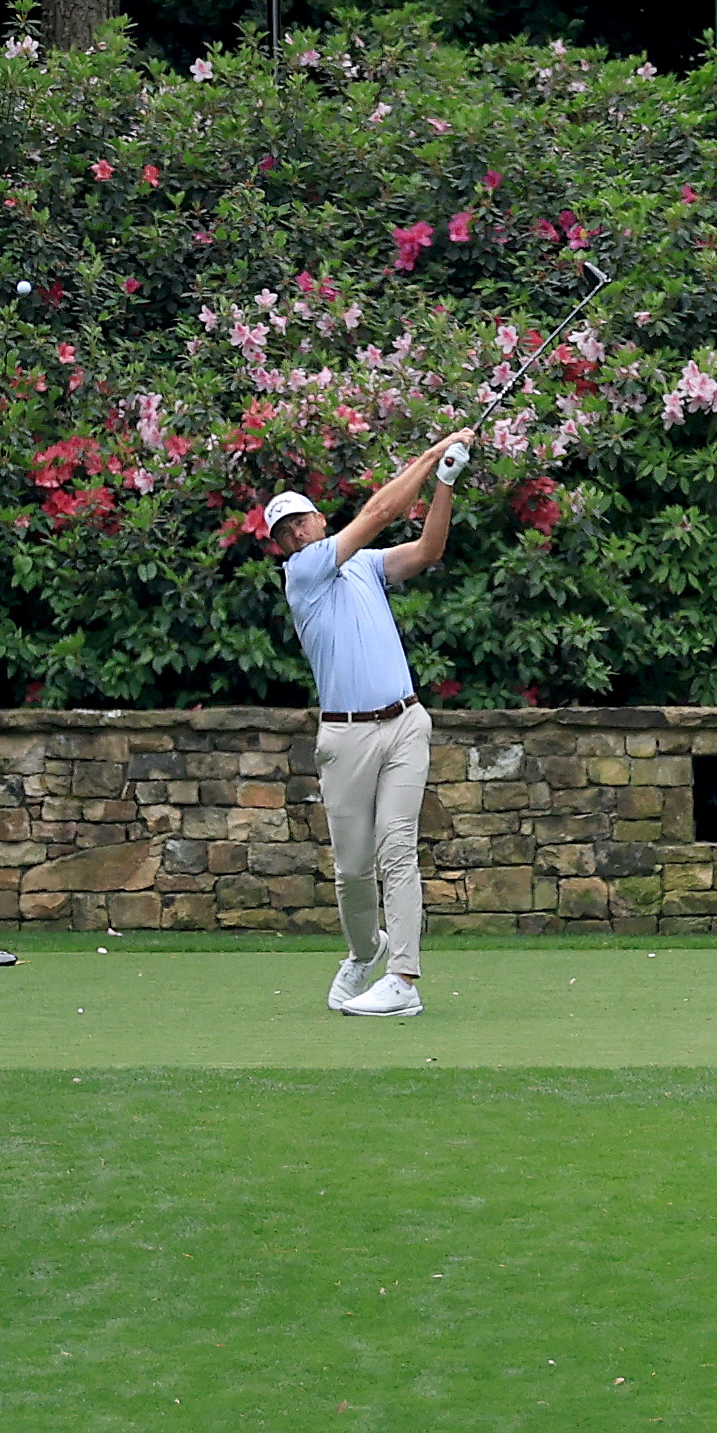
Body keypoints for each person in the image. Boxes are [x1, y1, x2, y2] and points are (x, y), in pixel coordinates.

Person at [264, 434, 465, 1019]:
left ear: (318, 518)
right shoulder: (304, 573)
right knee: (353, 868)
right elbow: (379, 513)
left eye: (300, 522)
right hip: (345, 737)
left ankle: (402, 978)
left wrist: (446, 480)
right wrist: (429, 455)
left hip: (405, 724)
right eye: (284, 534)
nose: (296, 535)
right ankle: (364, 951)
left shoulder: (369, 569)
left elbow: (427, 549)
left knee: (398, 848)